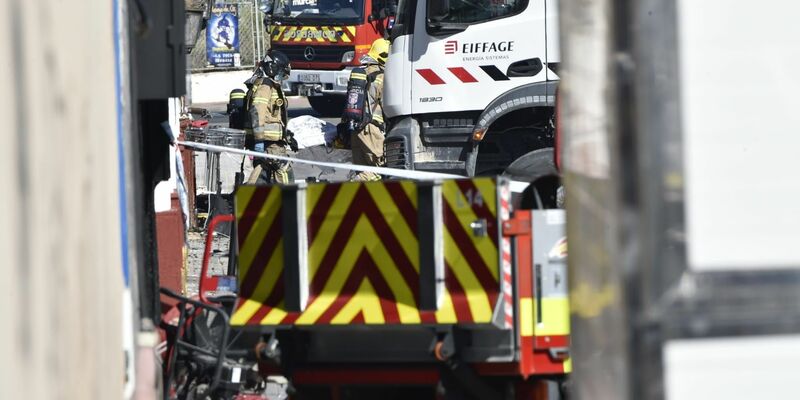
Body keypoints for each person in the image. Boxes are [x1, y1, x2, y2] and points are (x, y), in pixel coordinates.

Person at [338, 38, 389, 181]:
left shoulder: (361, 74)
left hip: (355, 130)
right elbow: (387, 106)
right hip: (370, 129)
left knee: (362, 170)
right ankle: (346, 189)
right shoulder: (381, 77)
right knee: (379, 170)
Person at [243, 50, 296, 185]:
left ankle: (248, 195)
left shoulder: (267, 85)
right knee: (283, 168)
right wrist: (259, 140)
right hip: (267, 141)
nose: (281, 77)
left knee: (262, 168)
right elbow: (257, 112)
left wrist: (287, 136)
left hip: (269, 140)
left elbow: (273, 116)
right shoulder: (265, 86)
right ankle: (289, 196)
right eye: (281, 73)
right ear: (272, 68)